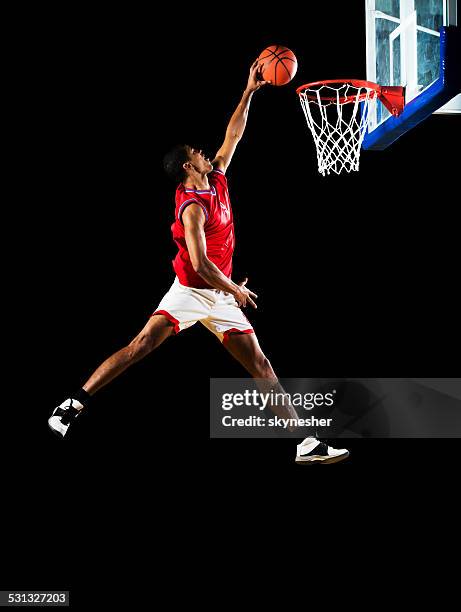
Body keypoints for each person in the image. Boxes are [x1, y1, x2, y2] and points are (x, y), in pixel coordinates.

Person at [49, 60, 349, 465]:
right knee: (140, 345)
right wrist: (235, 289)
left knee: (261, 363)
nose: (206, 153)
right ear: (189, 167)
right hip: (191, 291)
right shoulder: (191, 207)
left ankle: (304, 443)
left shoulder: (219, 178)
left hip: (221, 294)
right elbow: (201, 265)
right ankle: (73, 404)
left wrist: (249, 91)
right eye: (198, 153)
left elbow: (233, 135)